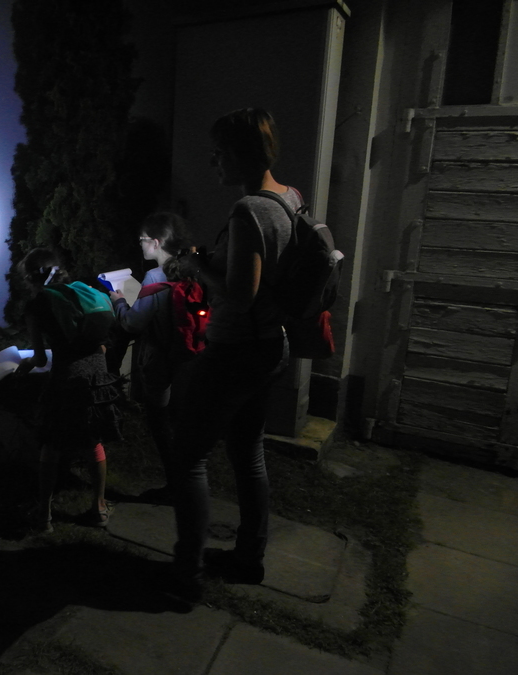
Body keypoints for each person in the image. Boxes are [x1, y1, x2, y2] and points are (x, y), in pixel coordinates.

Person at [171, 108, 294, 599]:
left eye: (219, 153)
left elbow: (240, 294)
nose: (213, 161)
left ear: (242, 155)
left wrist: (197, 266)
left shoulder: (248, 211)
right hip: (270, 345)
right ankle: (249, 557)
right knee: (248, 453)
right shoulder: (288, 199)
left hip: (236, 350)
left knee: (188, 458)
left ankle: (187, 574)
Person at [15, 247, 122, 533]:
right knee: (93, 442)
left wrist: (25, 364)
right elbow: (100, 344)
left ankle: (44, 516)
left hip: (66, 379)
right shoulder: (80, 293)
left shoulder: (37, 304)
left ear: (31, 276)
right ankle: (99, 509)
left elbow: (40, 359)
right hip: (97, 378)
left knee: (52, 444)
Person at [109, 212, 189, 503]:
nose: (140, 244)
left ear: (156, 243)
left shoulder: (155, 276)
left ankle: (174, 485)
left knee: (160, 423)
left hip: (161, 361)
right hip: (188, 358)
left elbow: (133, 323)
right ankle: (187, 482)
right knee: (181, 425)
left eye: (143, 240)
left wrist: (120, 301)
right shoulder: (190, 269)